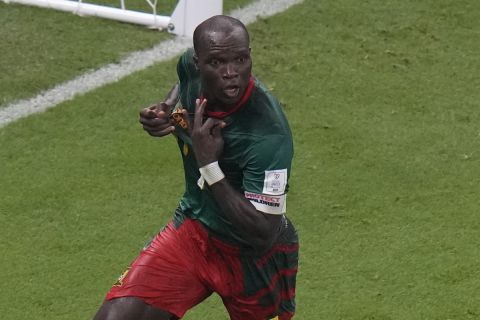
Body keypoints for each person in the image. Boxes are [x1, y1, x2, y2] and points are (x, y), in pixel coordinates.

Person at [93, 15, 299, 320]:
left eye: (240, 60)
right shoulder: (189, 66)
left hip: (254, 261)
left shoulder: (267, 134)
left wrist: (209, 165)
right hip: (195, 231)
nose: (231, 73)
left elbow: (264, 233)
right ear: (198, 62)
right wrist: (167, 110)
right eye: (217, 63)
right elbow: (182, 84)